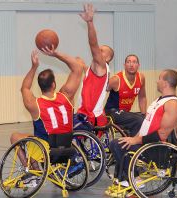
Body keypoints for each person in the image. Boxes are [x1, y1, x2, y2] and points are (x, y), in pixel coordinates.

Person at [10, 47, 84, 186]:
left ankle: (33, 172)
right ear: (54, 84)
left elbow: (24, 88)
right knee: (41, 139)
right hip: (67, 148)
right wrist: (55, 53)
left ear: (39, 86)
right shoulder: (67, 95)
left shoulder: (34, 104)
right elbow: (77, 68)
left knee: (15, 136)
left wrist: (34, 67)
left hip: (47, 152)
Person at [108, 69, 177, 187]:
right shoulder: (159, 100)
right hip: (147, 143)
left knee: (117, 145)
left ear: (165, 83)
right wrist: (133, 138)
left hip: (156, 149)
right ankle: (127, 177)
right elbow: (146, 125)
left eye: (159, 79)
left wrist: (136, 140)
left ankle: (134, 179)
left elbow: (162, 134)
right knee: (120, 143)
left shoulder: (172, 104)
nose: (157, 82)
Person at [74, 3, 114, 135]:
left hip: (89, 116)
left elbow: (93, 44)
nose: (98, 51)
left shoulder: (101, 65)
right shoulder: (98, 70)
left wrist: (90, 22)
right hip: (95, 115)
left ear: (107, 58)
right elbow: (87, 72)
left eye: (102, 51)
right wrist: (80, 63)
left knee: (64, 134)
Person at [105, 54, 147, 136]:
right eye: (128, 62)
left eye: (134, 62)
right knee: (138, 120)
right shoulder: (116, 79)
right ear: (124, 65)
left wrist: (144, 114)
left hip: (125, 113)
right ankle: (133, 143)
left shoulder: (141, 78)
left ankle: (132, 139)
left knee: (145, 120)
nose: (131, 65)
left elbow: (142, 97)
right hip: (112, 112)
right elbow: (101, 93)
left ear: (138, 65)